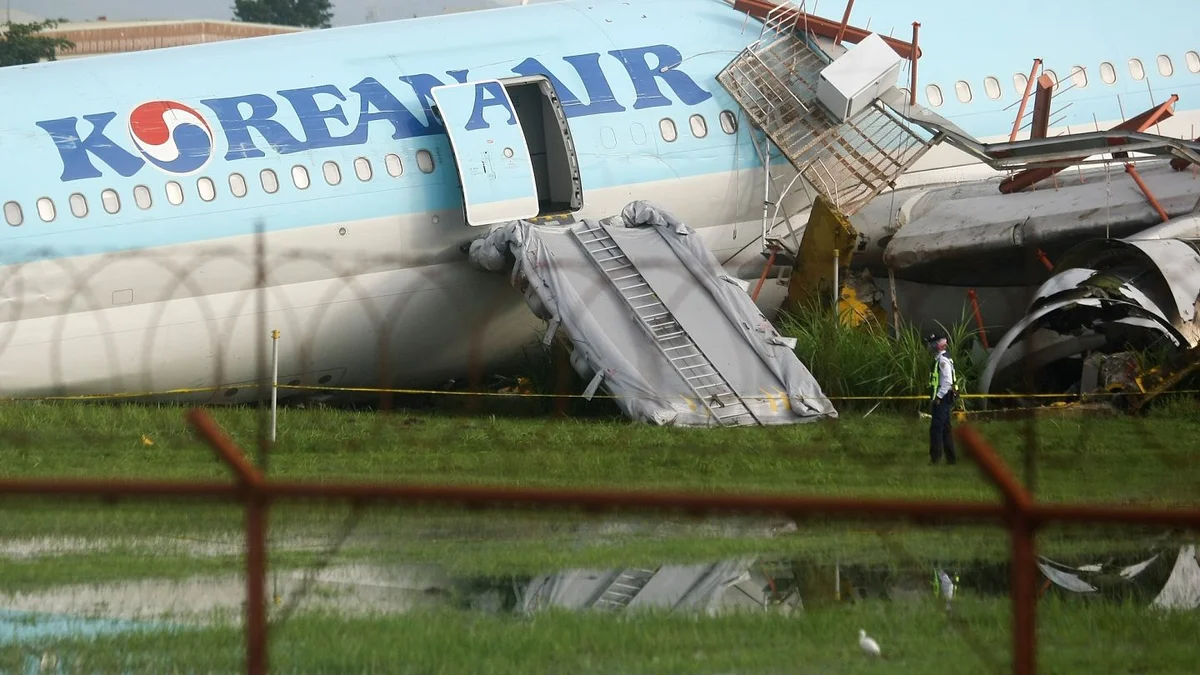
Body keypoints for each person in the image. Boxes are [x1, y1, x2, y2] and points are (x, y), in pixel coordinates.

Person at [926, 334, 958, 465]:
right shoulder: (941, 358)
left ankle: (936, 458)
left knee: (936, 428)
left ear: (938, 345)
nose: (930, 346)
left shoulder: (942, 361)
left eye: (932, 343)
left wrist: (938, 397)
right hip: (944, 397)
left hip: (942, 398)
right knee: (945, 428)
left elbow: (947, 382)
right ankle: (951, 458)